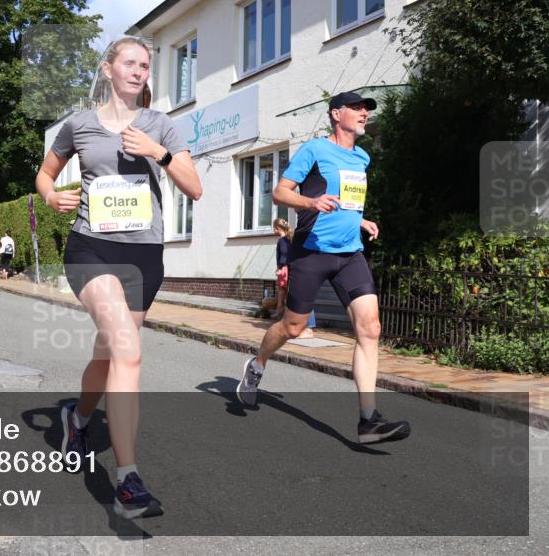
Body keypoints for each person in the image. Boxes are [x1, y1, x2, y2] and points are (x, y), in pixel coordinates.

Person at [35, 36, 201, 519]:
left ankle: (78, 417)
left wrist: (159, 153)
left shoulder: (161, 125)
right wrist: (51, 197)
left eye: (145, 65)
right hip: (92, 248)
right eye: (129, 62)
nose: (138, 70)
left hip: (144, 255)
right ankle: (128, 481)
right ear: (108, 69)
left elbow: (194, 187)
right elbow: (45, 174)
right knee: (128, 350)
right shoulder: (80, 124)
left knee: (108, 353)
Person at [236, 91, 410, 445]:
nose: (363, 113)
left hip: (350, 254)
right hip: (311, 252)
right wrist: (310, 202)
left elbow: (349, 200)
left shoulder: (361, 157)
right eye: (357, 108)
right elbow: (280, 193)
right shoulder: (314, 150)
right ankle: (257, 364)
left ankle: (368, 420)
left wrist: (360, 220)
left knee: (370, 328)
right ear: (336, 114)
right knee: (293, 327)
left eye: (366, 110)